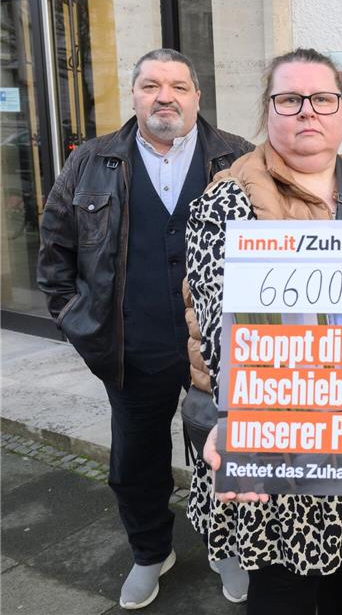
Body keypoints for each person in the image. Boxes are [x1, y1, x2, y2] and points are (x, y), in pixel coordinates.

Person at [186, 48, 342, 615]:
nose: (307, 112)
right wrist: (239, 415)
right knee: (285, 582)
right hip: (278, 427)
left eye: (322, 99)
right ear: (268, 112)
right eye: (289, 99)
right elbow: (220, 319)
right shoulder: (229, 196)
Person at [36, 48, 252, 609]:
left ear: (197, 97)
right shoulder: (92, 160)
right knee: (135, 460)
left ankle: (228, 546)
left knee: (224, 449)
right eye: (151, 85)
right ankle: (151, 551)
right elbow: (55, 251)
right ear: (133, 94)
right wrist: (78, 323)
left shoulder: (239, 157)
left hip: (221, 349)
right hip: (132, 348)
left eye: (178, 86)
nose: (165, 97)